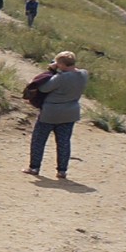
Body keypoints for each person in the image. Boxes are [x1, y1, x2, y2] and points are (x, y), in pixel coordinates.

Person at [26, 50, 88, 179]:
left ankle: (34, 167)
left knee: (39, 140)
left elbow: (44, 88)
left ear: (62, 64)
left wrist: (52, 70)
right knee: (64, 142)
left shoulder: (61, 77)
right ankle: (62, 171)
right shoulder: (84, 74)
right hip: (70, 112)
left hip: (51, 112)